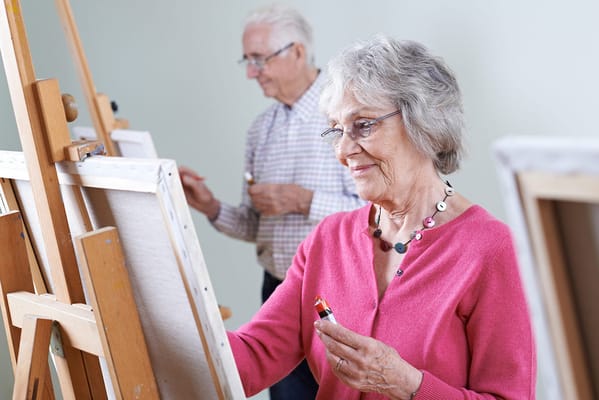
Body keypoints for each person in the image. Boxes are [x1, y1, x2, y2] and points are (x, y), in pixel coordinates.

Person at [226, 34, 537, 399]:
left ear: (425, 125)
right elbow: (252, 356)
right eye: (337, 130)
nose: (343, 151)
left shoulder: (490, 249)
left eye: (364, 125)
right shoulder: (327, 240)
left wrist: (409, 385)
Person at [179, 4, 364, 399]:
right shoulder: (261, 130)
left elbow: (376, 214)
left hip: (343, 291)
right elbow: (254, 225)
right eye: (247, 60)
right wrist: (210, 206)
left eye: (259, 59)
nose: (251, 72)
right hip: (278, 291)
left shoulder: (347, 117)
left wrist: (304, 201)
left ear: (297, 52)